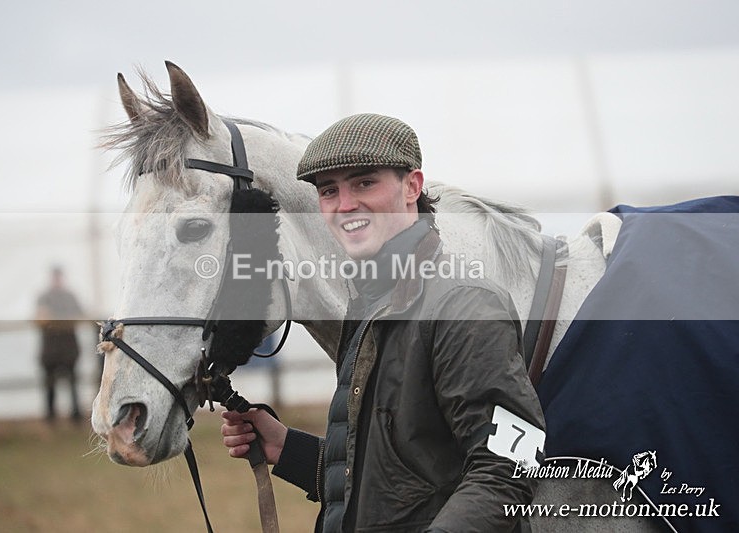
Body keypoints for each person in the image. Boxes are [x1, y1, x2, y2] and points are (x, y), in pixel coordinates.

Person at [221, 114, 545, 532]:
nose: (345, 205)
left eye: (364, 183)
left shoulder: (463, 305)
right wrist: (286, 447)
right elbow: (395, 482)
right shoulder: (368, 306)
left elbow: (510, 465)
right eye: (329, 191)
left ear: (412, 186)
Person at [35, 266, 84, 422]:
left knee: (73, 383)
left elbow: (80, 314)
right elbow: (40, 318)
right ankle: (50, 415)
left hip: (68, 349)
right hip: (50, 350)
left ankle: (75, 414)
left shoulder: (70, 297)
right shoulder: (44, 298)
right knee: (50, 385)